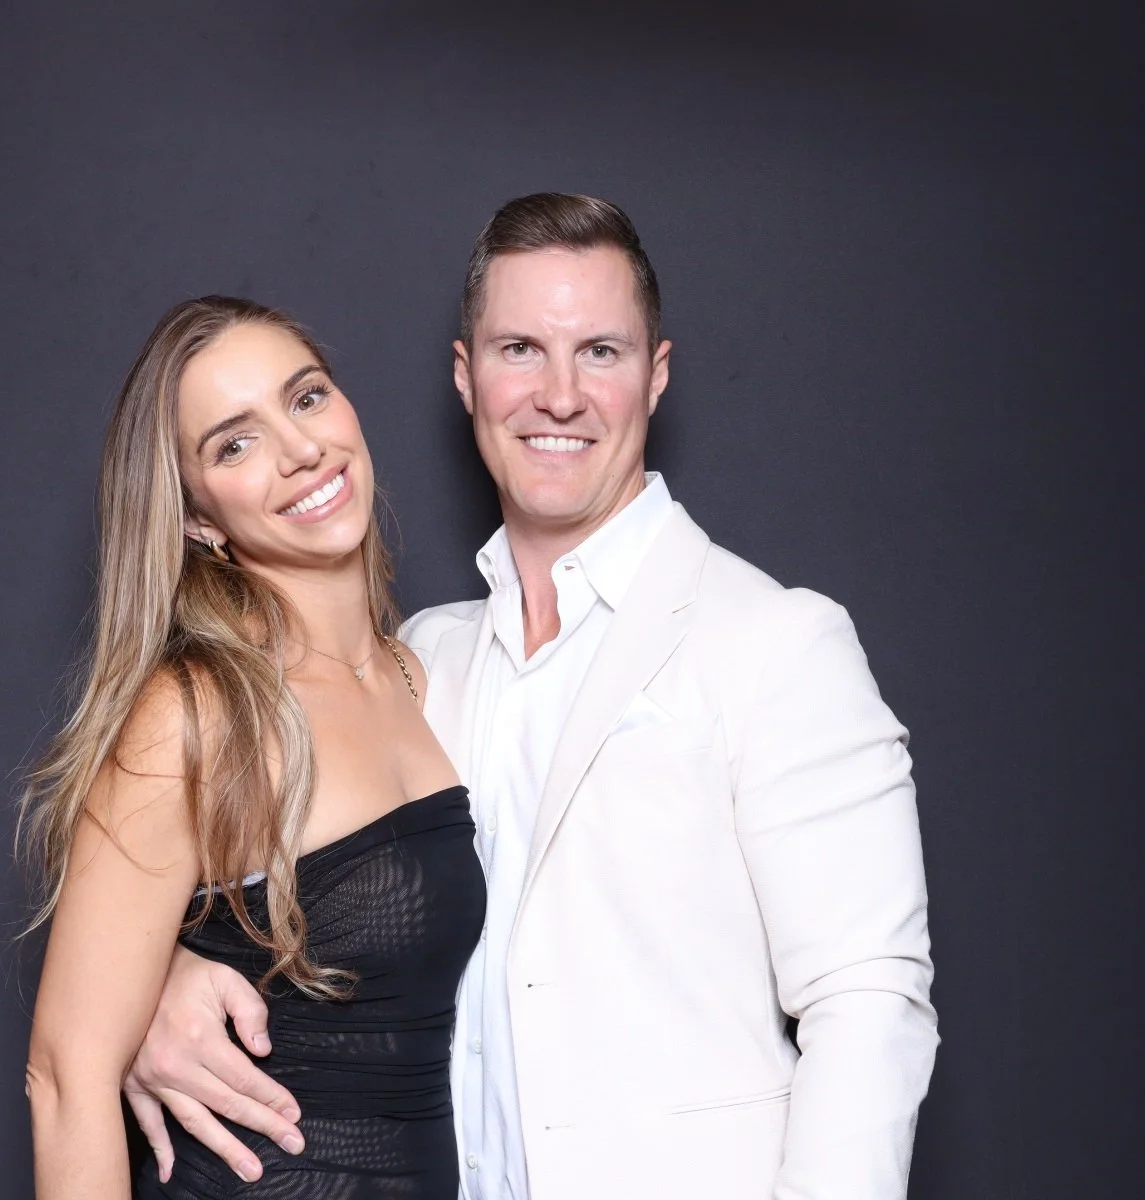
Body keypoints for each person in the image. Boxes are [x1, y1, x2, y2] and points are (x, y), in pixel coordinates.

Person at [122, 195, 939, 1199]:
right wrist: (149, 982)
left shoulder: (776, 642)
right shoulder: (417, 667)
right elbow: (312, 916)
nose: (559, 395)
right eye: (520, 349)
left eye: (600, 351)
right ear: (468, 378)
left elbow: (869, 1000)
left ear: (656, 377)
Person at [20, 296, 487, 1198]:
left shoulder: (427, 673)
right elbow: (65, 1078)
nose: (300, 449)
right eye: (234, 444)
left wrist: (166, 963)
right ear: (197, 518)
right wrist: (145, 979)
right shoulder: (197, 712)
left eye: (305, 398)